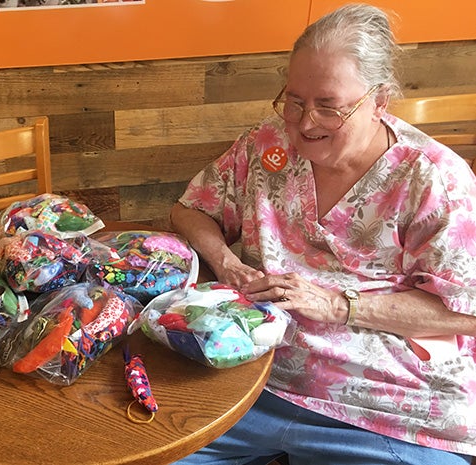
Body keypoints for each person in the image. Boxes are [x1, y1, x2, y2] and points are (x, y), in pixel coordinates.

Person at [170, 4, 476, 465]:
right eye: (294, 100)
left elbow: (466, 311)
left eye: (328, 107)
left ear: (379, 101)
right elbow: (191, 210)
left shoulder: (434, 180)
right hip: (245, 373)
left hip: (381, 401)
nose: (304, 123)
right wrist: (226, 262)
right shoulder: (266, 144)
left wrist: (337, 304)